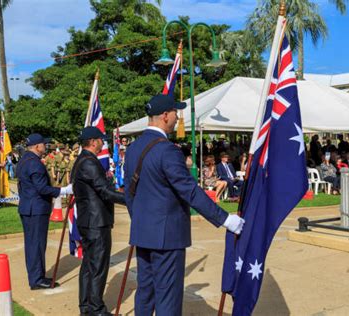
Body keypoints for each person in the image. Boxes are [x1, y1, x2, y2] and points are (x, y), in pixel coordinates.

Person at [124, 94, 244, 316]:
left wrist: (142, 220)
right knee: (168, 297)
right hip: (167, 236)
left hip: (143, 232)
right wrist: (226, 219)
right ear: (165, 115)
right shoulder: (167, 151)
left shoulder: (132, 149)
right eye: (176, 113)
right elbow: (189, 191)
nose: (178, 117)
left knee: (145, 293)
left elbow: (130, 194)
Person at [72, 126, 126, 316]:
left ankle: (86, 307)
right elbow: (105, 191)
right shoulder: (89, 162)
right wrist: (130, 199)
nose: (103, 143)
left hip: (89, 221)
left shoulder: (82, 160)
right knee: (97, 267)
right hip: (96, 222)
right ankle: (96, 308)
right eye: (101, 140)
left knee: (88, 265)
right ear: (93, 141)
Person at [16, 133, 73, 290]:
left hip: (29, 207)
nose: (45, 147)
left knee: (33, 244)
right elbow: (42, 188)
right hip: (36, 209)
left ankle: (37, 275)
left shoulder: (24, 160)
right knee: (37, 245)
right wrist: (64, 190)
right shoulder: (34, 163)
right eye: (43, 144)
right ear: (36, 146)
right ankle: (36, 279)